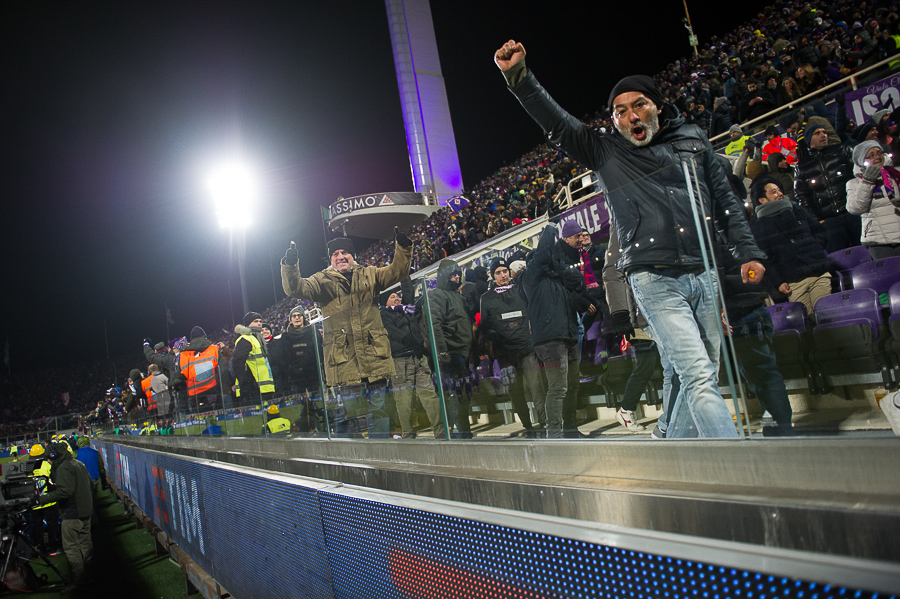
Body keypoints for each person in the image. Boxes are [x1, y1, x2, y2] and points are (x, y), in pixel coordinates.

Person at [495, 40, 765, 438]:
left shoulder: (691, 138)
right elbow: (558, 123)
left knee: (700, 370)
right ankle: (733, 466)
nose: (629, 115)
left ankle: (671, 443)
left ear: (657, 105)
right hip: (653, 279)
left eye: (638, 105)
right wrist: (519, 77)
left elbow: (725, 198)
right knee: (698, 374)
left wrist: (747, 251)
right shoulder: (605, 152)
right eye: (620, 111)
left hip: (703, 272)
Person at [281, 229, 412, 438]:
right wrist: (290, 264)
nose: (341, 256)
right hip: (345, 361)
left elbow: (397, 272)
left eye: (345, 253)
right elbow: (295, 288)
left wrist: (403, 248)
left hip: (373, 356)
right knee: (353, 415)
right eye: (335, 254)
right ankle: (359, 460)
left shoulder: (370, 274)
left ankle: (382, 452)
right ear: (331, 259)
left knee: (380, 409)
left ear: (353, 256)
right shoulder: (321, 281)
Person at [480, 258, 545, 437]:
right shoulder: (486, 298)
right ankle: (527, 426)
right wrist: (491, 333)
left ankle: (545, 423)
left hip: (526, 348)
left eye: (505, 271)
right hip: (505, 354)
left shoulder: (520, 289)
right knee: (515, 391)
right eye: (498, 272)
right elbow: (484, 324)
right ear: (493, 276)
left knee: (536, 387)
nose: (503, 275)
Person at [750, 176, 831, 315]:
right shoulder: (760, 226)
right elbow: (766, 258)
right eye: (773, 192)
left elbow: (819, 231)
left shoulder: (797, 210)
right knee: (807, 321)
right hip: (794, 282)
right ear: (762, 200)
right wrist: (779, 282)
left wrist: (815, 248)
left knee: (825, 314)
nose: (780, 193)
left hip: (818, 272)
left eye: (779, 190)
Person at [379, 278, 445, 439]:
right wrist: (409, 340)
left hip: (418, 357)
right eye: (392, 296)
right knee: (404, 400)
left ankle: (441, 431)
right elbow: (391, 331)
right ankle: (408, 434)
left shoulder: (406, 309)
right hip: (401, 361)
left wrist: (403, 275)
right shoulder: (383, 314)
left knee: (429, 394)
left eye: (397, 295)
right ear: (385, 301)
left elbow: (407, 291)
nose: (397, 298)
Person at [426, 259, 475, 438]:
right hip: (450, 354)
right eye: (452, 275)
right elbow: (434, 325)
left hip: (462, 353)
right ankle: (459, 433)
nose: (456, 278)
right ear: (444, 276)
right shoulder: (437, 295)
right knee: (455, 395)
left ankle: (463, 431)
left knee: (463, 395)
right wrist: (442, 352)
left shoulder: (458, 296)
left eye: (458, 274)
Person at [35, 442, 93, 591]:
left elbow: (65, 492)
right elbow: (91, 485)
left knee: (72, 548)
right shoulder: (78, 464)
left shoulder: (64, 468)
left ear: (54, 456)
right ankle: (89, 575)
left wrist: (41, 499)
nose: (48, 461)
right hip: (85, 512)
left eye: (49, 458)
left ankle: (79, 580)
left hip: (73, 513)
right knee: (85, 545)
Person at [794, 123, 859, 253]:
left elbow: (857, 177)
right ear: (808, 139)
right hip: (829, 221)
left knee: (864, 251)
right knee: (839, 257)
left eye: (824, 132)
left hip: (853, 213)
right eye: (817, 133)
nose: (823, 135)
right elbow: (802, 196)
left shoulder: (842, 151)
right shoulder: (802, 166)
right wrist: (817, 220)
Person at [846, 141, 900, 259]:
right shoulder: (854, 183)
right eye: (870, 155)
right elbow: (855, 208)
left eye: (878, 153)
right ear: (861, 160)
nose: (877, 157)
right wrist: (867, 182)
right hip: (878, 242)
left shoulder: (895, 174)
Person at [175, 326, 228, 413]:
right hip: (214, 391)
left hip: (195, 395)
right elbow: (223, 370)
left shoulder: (184, 354)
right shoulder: (214, 349)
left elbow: (180, 376)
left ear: (191, 339)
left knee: (199, 422)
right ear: (204, 336)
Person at [233, 311, 276, 406]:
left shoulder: (256, 337)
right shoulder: (245, 339)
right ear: (248, 324)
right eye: (256, 321)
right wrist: (244, 383)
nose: (259, 323)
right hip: (253, 387)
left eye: (260, 321)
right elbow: (238, 362)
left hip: (263, 386)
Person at [28, 444, 60, 556]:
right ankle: (53, 548)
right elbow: (54, 482)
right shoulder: (47, 465)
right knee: (53, 526)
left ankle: (40, 550)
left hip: (34, 503)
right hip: (48, 501)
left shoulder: (27, 467)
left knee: (37, 528)